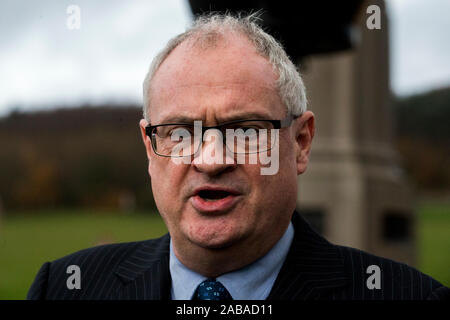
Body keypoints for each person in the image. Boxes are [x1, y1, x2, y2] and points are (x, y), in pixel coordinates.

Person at [27, 13, 449, 300]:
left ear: (301, 142)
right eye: (179, 132)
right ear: (149, 148)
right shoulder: (64, 288)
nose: (211, 160)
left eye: (245, 131)